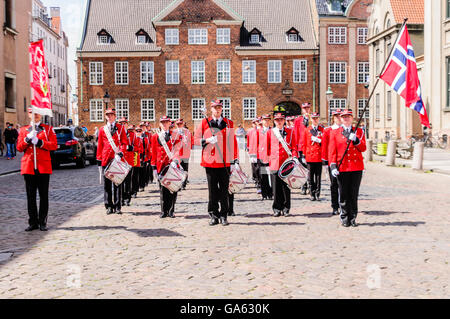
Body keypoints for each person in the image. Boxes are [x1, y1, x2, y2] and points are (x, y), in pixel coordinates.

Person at [194, 100, 239, 226]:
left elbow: (233, 142)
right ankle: (214, 214)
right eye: (215, 108)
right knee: (212, 190)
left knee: (224, 190)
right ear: (211, 109)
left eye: (219, 107)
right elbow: (195, 140)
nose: (217, 110)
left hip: (224, 161)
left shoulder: (228, 123)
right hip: (210, 161)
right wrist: (207, 140)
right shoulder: (204, 122)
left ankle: (224, 215)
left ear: (222, 109)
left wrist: (235, 159)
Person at [17, 108, 57, 231]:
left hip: (43, 167)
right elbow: (19, 147)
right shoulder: (24, 130)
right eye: (32, 113)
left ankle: (42, 222)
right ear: (29, 115)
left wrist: (40, 142)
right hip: (29, 166)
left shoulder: (48, 129)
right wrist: (27, 139)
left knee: (44, 196)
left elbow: (54, 145)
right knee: (31, 196)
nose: (35, 115)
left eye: (37, 113)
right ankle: (33, 222)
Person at [329, 109, 366, 227]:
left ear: (352, 118)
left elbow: (363, 148)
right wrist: (333, 166)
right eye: (344, 117)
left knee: (354, 194)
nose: (346, 119)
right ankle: (344, 216)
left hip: (356, 167)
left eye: (348, 116)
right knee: (344, 193)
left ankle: (353, 217)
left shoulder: (359, 131)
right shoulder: (335, 132)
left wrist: (356, 140)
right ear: (340, 118)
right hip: (342, 167)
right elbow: (332, 151)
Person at [96, 108, 128, 215]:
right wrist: (99, 160)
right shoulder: (102, 130)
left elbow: (124, 142)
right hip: (106, 159)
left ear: (115, 116)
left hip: (117, 159)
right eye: (108, 115)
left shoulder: (120, 128)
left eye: (111, 115)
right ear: (105, 117)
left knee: (118, 183)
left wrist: (121, 153)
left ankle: (118, 206)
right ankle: (109, 206)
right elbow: (100, 145)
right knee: (107, 185)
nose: (110, 117)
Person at [267, 113, 297, 217]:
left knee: (286, 187)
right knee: (275, 187)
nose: (279, 122)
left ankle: (286, 208)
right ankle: (276, 208)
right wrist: (267, 162)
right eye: (277, 120)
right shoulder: (270, 132)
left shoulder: (290, 132)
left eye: (281, 120)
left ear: (284, 121)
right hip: (275, 163)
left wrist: (294, 157)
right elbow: (267, 148)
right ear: (274, 121)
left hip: (286, 163)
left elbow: (294, 147)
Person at [151, 116, 182, 218]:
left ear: (170, 123)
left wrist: (176, 159)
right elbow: (154, 152)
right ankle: (164, 210)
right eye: (162, 122)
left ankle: (171, 210)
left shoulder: (175, 135)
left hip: (172, 165)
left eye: (166, 122)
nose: (164, 124)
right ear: (160, 124)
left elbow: (178, 150)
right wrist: (154, 167)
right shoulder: (155, 136)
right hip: (161, 165)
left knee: (173, 188)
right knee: (163, 189)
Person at [321, 109, 342, 215]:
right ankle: (335, 206)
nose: (338, 118)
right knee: (334, 184)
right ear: (333, 118)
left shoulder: (345, 129)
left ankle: (343, 204)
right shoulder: (328, 130)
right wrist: (325, 159)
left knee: (343, 184)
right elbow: (324, 145)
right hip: (332, 160)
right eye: (336, 116)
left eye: (340, 116)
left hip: (343, 161)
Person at [301, 112, 324, 201]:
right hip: (310, 156)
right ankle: (312, 193)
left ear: (318, 119)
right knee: (310, 177)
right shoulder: (307, 130)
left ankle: (317, 193)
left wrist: (319, 140)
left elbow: (325, 143)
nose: (315, 120)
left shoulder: (322, 130)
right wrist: (303, 155)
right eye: (313, 118)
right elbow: (304, 143)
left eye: (316, 118)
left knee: (318, 177)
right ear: (311, 119)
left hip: (319, 156)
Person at [294, 103, 312, 195]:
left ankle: (310, 186)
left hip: (310, 148)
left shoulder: (313, 119)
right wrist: (296, 148)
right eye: (305, 108)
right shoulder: (298, 120)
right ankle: (303, 186)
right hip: (301, 147)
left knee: (309, 168)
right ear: (302, 110)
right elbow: (296, 134)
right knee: (301, 168)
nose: (306, 110)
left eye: (308, 108)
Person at [173, 119, 193, 190]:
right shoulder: (174, 132)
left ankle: (184, 184)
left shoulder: (187, 132)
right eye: (178, 124)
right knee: (178, 169)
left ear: (183, 124)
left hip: (185, 154)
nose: (179, 125)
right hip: (177, 154)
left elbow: (190, 142)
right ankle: (179, 183)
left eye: (180, 124)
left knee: (185, 169)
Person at [257, 114, 273, 200]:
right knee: (263, 175)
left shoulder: (273, 130)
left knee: (271, 175)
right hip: (262, 157)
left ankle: (271, 193)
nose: (266, 122)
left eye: (268, 120)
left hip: (270, 157)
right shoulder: (259, 131)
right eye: (264, 120)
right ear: (262, 121)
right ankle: (264, 193)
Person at [247, 119, 259, 189]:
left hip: (260, 151)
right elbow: (248, 140)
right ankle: (255, 178)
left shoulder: (261, 131)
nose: (255, 124)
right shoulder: (250, 131)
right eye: (254, 123)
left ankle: (259, 181)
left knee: (260, 168)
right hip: (253, 150)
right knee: (254, 167)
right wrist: (249, 148)